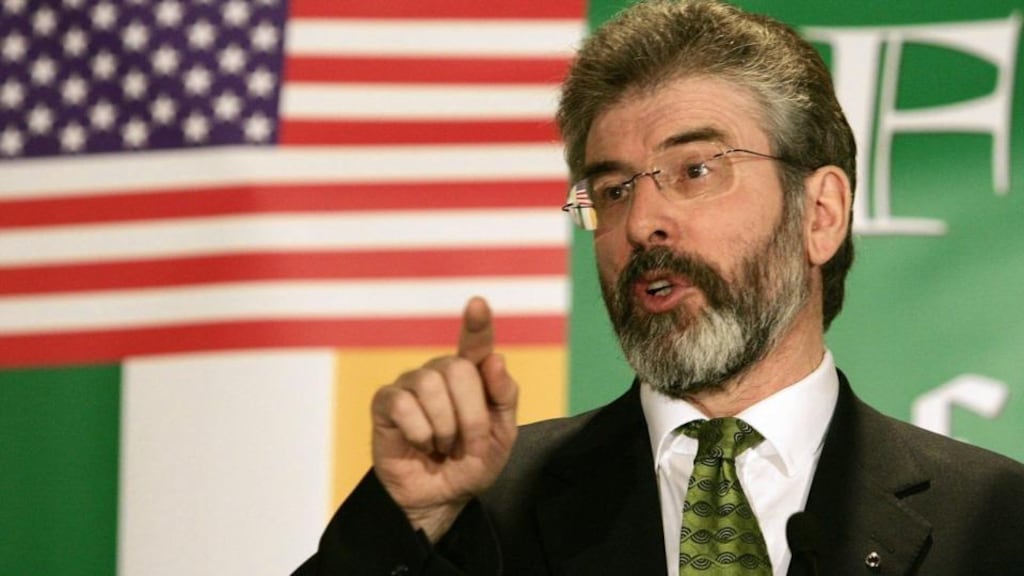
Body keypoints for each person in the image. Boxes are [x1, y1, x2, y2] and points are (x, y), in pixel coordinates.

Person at [294, 1, 1024, 574]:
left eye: (696, 170)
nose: (642, 222)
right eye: (611, 190)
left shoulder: (996, 521)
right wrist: (408, 519)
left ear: (821, 213)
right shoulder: (481, 510)